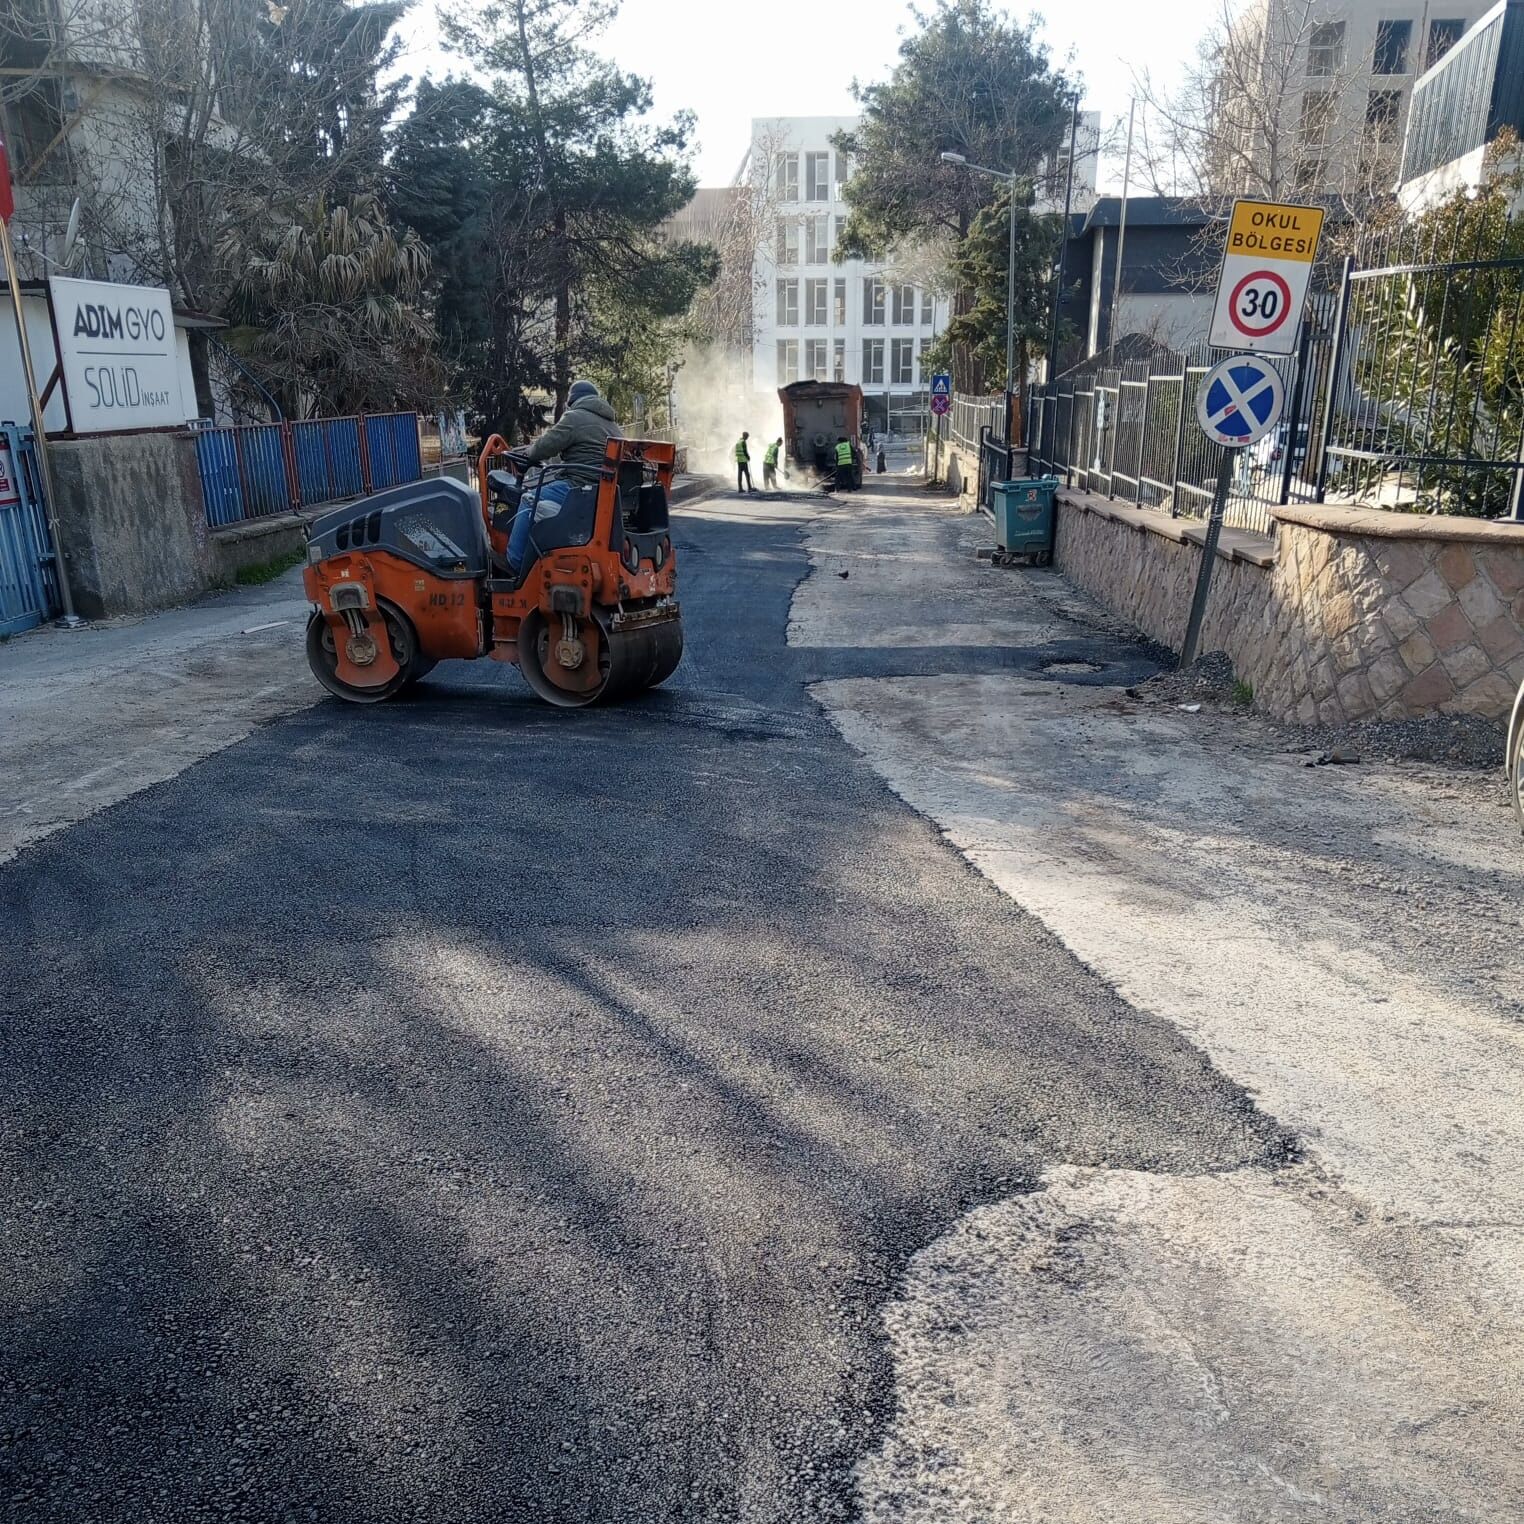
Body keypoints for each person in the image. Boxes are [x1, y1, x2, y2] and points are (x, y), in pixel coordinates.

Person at [507, 379, 622, 574]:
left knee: (528, 501)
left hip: (578, 489)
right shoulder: (613, 426)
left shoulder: (575, 418)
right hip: (601, 491)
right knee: (544, 490)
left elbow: (544, 447)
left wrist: (529, 452)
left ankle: (514, 564)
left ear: (572, 401)